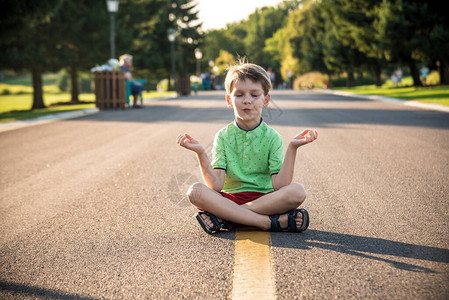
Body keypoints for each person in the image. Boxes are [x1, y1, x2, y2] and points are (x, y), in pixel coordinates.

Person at [176, 61, 318, 234]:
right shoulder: (223, 136)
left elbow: (280, 185)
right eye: (239, 95)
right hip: (230, 198)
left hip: (266, 199)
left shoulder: (273, 137)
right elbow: (216, 186)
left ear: (266, 100)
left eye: (254, 95)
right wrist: (200, 152)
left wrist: (292, 148)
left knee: (297, 191)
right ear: (229, 100)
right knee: (195, 192)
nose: (247, 101)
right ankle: (269, 223)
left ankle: (226, 217)